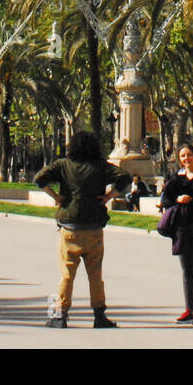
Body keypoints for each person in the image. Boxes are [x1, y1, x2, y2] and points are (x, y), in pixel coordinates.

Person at [34, 130, 131, 328]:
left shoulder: (63, 165)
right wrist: (109, 196)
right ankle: (99, 315)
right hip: (94, 226)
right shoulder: (101, 166)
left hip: (69, 226)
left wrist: (56, 197)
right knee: (95, 275)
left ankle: (60, 315)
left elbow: (39, 179)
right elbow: (125, 177)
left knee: (67, 274)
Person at [160, 144, 193, 326]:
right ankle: (189, 310)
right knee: (186, 270)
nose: (186, 158)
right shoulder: (176, 178)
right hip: (181, 228)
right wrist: (177, 199)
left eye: (189, 155)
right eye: (182, 156)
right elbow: (165, 198)